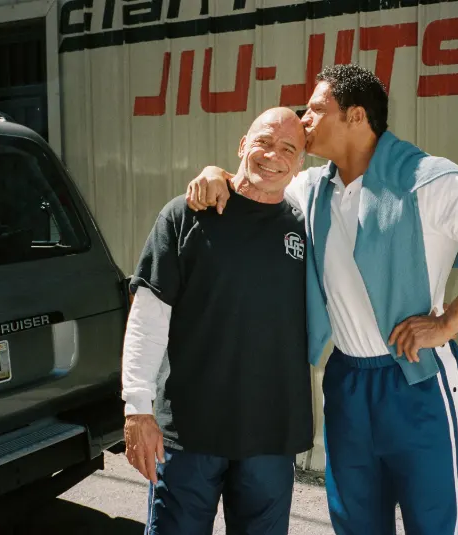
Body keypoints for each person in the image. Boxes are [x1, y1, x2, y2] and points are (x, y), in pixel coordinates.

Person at [184, 64, 458, 535]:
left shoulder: (425, 178)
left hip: (417, 381)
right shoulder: (311, 188)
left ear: (355, 116)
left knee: (438, 526)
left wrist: (448, 323)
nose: (302, 119)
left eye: (314, 109)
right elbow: (254, 179)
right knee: (355, 526)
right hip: (348, 382)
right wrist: (213, 173)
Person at [121, 107, 314, 535]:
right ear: (242, 144)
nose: (273, 155)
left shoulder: (306, 226)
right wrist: (137, 409)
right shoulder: (185, 215)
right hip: (190, 435)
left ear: (300, 164)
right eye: (263, 141)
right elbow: (148, 318)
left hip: (270, 436)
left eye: (288, 148)